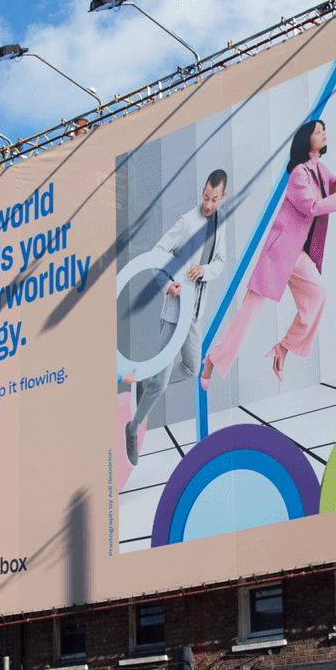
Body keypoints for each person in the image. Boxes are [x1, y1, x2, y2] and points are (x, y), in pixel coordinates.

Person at [202, 121, 336, 388]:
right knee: (250, 311)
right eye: (317, 131)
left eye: (324, 129)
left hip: (298, 254)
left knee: (318, 294)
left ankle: (284, 347)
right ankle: (212, 361)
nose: (324, 132)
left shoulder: (321, 169)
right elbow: (312, 206)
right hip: (280, 252)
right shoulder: (299, 173)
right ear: (305, 140)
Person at [121, 169, 229, 465]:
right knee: (160, 382)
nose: (208, 204)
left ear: (222, 197)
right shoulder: (187, 223)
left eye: (214, 199)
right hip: (174, 313)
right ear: (203, 191)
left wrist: (205, 271)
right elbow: (157, 253)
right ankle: (132, 428)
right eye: (205, 197)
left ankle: (153, 379)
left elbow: (220, 261)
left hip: (194, 316)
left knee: (193, 369)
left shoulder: (220, 224)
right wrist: (168, 285)